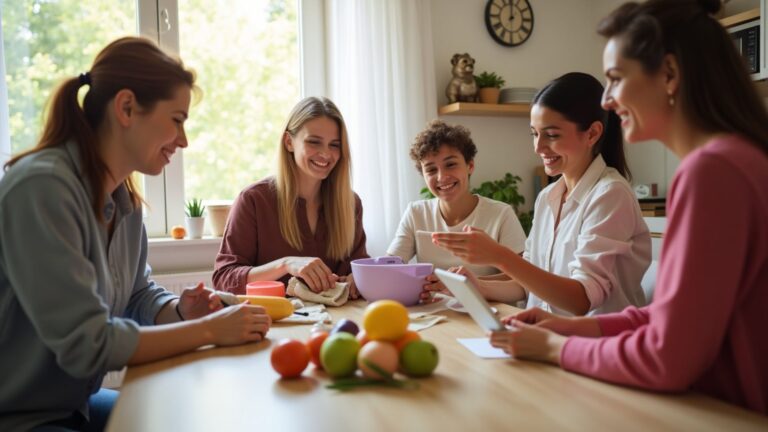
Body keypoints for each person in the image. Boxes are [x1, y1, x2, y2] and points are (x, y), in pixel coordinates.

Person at [488, 0, 768, 414]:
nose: (607, 99)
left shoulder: (712, 171)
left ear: (669, 74)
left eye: (616, 79)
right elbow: (667, 317)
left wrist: (554, 347)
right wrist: (572, 328)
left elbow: (667, 357)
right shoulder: (735, 160)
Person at [0, 37, 272, 431]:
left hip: (74, 405)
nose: (183, 140)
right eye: (177, 119)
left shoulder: (123, 200)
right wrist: (210, 330)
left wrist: (182, 311)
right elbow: (88, 345)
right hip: (21, 417)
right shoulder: (42, 189)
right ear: (126, 107)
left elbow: (136, 296)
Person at [433, 72, 651, 316]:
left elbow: (581, 300)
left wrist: (499, 256)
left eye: (552, 135)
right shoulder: (547, 197)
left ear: (592, 133)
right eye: (534, 134)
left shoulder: (610, 194)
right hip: (544, 332)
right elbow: (529, 284)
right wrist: (475, 286)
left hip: (592, 338)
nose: (538, 147)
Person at [213, 97, 368, 298]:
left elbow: (359, 267)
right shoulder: (253, 200)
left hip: (335, 316)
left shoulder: (350, 204)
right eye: (314, 142)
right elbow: (224, 280)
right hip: (271, 316)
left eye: (335, 145)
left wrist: (359, 278)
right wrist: (285, 265)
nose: (325, 153)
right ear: (289, 142)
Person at [386, 120, 526, 301]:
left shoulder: (501, 214)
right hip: (435, 312)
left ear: (470, 166)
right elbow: (390, 266)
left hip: (490, 311)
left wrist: (461, 283)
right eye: (431, 169)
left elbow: (523, 278)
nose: (442, 177)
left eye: (450, 164)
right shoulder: (416, 213)